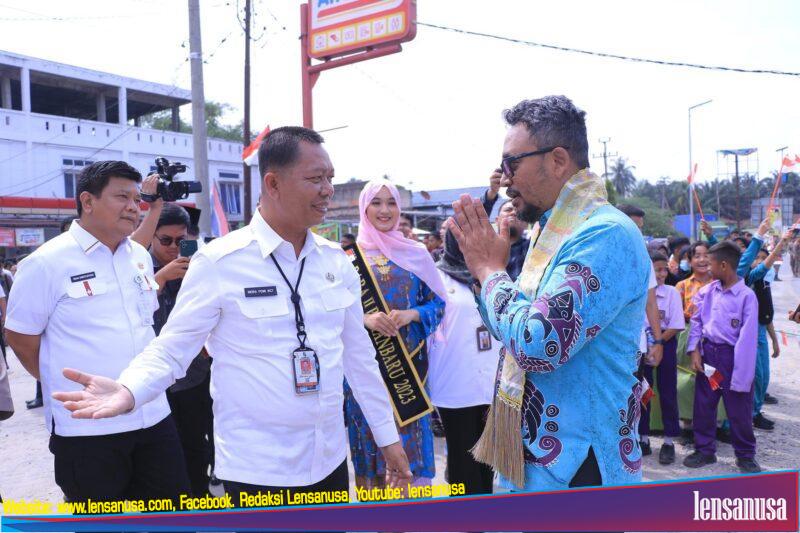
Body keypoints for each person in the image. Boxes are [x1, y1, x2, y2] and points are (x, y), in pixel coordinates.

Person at [51, 127, 412, 506]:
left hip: (328, 461)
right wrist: (129, 390)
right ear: (272, 183)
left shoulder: (336, 262)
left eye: (330, 179)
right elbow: (173, 349)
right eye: (315, 178)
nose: (327, 190)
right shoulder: (220, 262)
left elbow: (359, 359)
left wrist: (387, 438)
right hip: (258, 471)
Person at [451, 95, 651, 491]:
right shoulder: (552, 230)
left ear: (557, 160)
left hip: (581, 468)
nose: (504, 178)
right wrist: (482, 273)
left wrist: (490, 272)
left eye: (512, 163)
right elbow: (511, 328)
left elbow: (539, 343)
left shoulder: (603, 234)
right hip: (540, 462)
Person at [4, 160, 191, 504]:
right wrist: (57, 379)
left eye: (137, 199)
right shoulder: (47, 262)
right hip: (88, 428)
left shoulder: (137, 254)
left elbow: (144, 320)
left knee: (175, 517)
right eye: (122, 196)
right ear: (87, 201)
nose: (134, 207)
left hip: (152, 415)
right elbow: (21, 338)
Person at [347, 178, 445, 493]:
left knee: (412, 452)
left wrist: (412, 314)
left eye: (391, 202)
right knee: (371, 449)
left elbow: (439, 304)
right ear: (364, 208)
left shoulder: (416, 254)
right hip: (366, 371)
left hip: (411, 374)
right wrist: (365, 319)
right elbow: (331, 313)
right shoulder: (347, 260)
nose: (384, 210)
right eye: (376, 202)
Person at [149, 202, 213, 497]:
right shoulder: (135, 267)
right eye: (166, 241)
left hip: (194, 376)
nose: (175, 248)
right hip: (153, 381)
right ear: (151, 236)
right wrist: (160, 280)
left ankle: (200, 498)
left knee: (195, 447)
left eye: (182, 240)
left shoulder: (199, 267)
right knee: (161, 456)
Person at [429, 228, 498, 495]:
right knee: (462, 460)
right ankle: (468, 517)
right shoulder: (435, 276)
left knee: (486, 463)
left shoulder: (492, 273)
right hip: (455, 382)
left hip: (490, 380)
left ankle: (485, 517)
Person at [684, 241, 760, 473]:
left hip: (733, 358)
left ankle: (745, 454)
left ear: (724, 265)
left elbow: (747, 339)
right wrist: (695, 350)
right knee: (705, 404)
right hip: (710, 358)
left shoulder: (746, 296)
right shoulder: (708, 291)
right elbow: (696, 321)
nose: (708, 268)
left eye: (711, 263)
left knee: (738, 407)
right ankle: (705, 450)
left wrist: (741, 372)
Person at [638, 252, 685, 464]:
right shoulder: (641, 293)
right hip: (643, 345)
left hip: (665, 341)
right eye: (657, 269)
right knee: (644, 391)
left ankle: (668, 441)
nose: (661, 274)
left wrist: (657, 342)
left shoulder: (672, 293)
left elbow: (675, 324)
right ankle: (643, 438)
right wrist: (648, 344)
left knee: (667, 391)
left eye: (665, 269)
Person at [481, 171, 531, 281]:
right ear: (497, 220)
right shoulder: (484, 247)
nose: (513, 213)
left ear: (526, 224)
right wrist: (492, 193)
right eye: (508, 210)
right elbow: (476, 220)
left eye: (517, 212)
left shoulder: (533, 248)